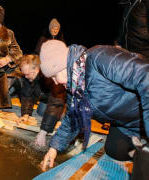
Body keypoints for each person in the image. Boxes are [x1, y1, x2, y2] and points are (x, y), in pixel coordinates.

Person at [38, 40, 149, 172]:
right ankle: (139, 145)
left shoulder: (100, 57)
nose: (55, 83)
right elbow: (73, 120)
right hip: (127, 124)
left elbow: (145, 77)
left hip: (143, 115)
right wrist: (53, 148)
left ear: (64, 66)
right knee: (114, 150)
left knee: (143, 169)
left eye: (55, 76)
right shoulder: (74, 87)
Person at [18, 54, 66, 147]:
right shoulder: (29, 77)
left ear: (37, 69)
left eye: (27, 74)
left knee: (61, 117)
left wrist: (43, 132)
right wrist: (26, 114)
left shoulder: (52, 76)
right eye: (24, 74)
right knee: (41, 112)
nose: (26, 77)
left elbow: (55, 103)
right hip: (46, 97)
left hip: (62, 99)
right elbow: (27, 95)